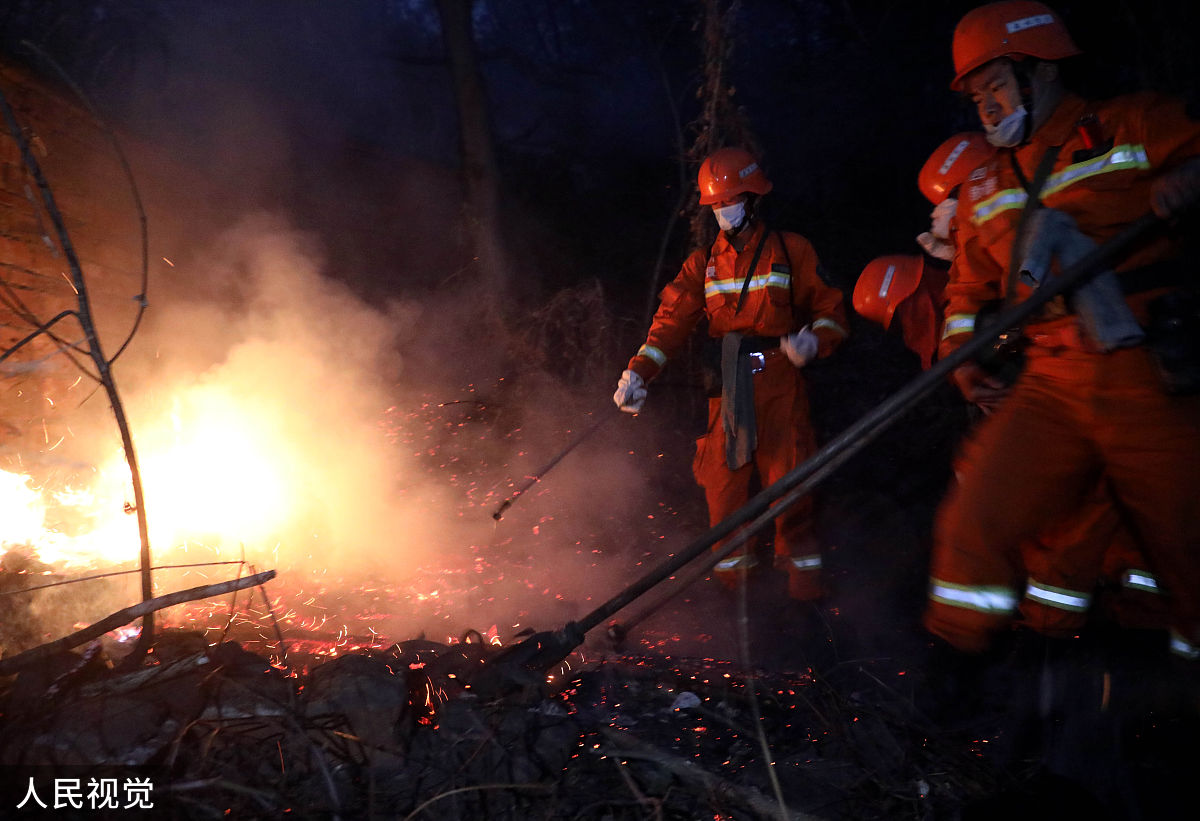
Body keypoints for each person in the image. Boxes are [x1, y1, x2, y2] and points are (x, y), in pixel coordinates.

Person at [924, 0, 1200, 661]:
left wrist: (1191, 176)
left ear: (1041, 71)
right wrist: (964, 357)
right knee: (973, 520)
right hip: (1048, 380)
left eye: (995, 85)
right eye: (975, 95)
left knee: (1186, 541)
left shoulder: (1129, 125)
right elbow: (964, 290)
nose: (986, 107)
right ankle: (959, 671)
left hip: (1142, 372)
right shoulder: (985, 181)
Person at [855, 132, 1168, 644]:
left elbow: (1021, 325)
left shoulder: (1037, 245)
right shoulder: (977, 262)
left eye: (947, 204)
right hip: (1038, 413)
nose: (938, 218)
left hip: (1084, 406)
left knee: (1074, 535)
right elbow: (963, 319)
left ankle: (1069, 638)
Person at [613, 146, 848, 601]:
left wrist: (815, 340)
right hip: (727, 385)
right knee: (722, 494)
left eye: (731, 199)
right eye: (716, 203)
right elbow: (670, 322)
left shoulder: (791, 249)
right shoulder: (703, 264)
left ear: (753, 196)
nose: (723, 210)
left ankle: (805, 601)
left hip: (781, 383)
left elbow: (831, 308)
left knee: (792, 491)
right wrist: (638, 372)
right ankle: (734, 600)